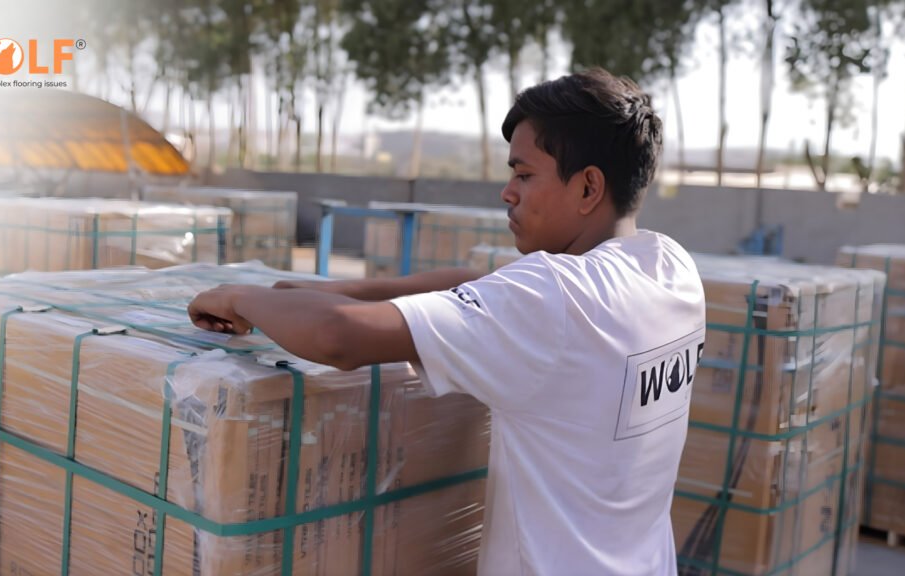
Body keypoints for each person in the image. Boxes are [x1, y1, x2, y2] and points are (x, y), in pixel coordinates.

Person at [188, 68, 706, 576]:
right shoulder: (670, 268)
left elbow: (337, 338)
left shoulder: (553, 298)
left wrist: (241, 297)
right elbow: (474, 283)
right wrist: (317, 290)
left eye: (524, 175)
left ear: (588, 188)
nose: (508, 192)